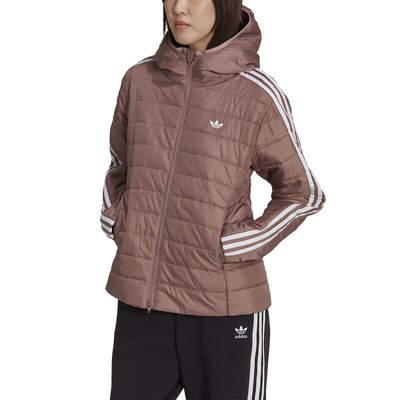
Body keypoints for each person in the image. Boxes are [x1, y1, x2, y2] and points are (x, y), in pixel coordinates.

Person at [100, 1, 326, 399]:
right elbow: (121, 164)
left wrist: (238, 243)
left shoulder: (256, 94)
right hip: (143, 304)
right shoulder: (139, 80)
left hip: (224, 307)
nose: (179, 7)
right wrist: (120, 219)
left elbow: (302, 192)